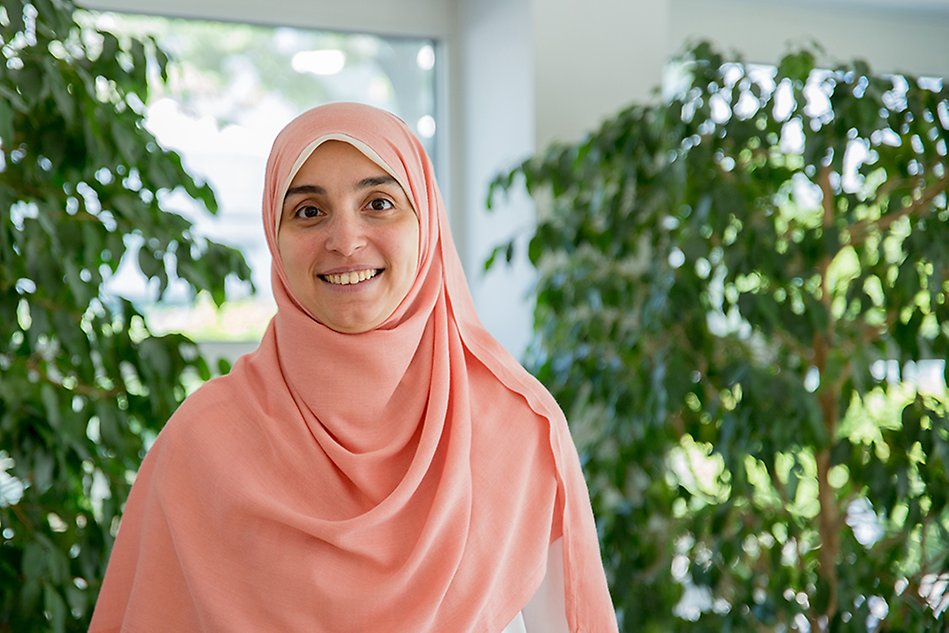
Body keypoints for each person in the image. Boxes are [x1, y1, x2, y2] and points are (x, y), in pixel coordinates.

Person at [89, 102, 618, 632]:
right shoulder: (200, 444)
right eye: (309, 212)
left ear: (426, 223)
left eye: (380, 202)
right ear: (275, 239)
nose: (345, 240)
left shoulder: (517, 427)